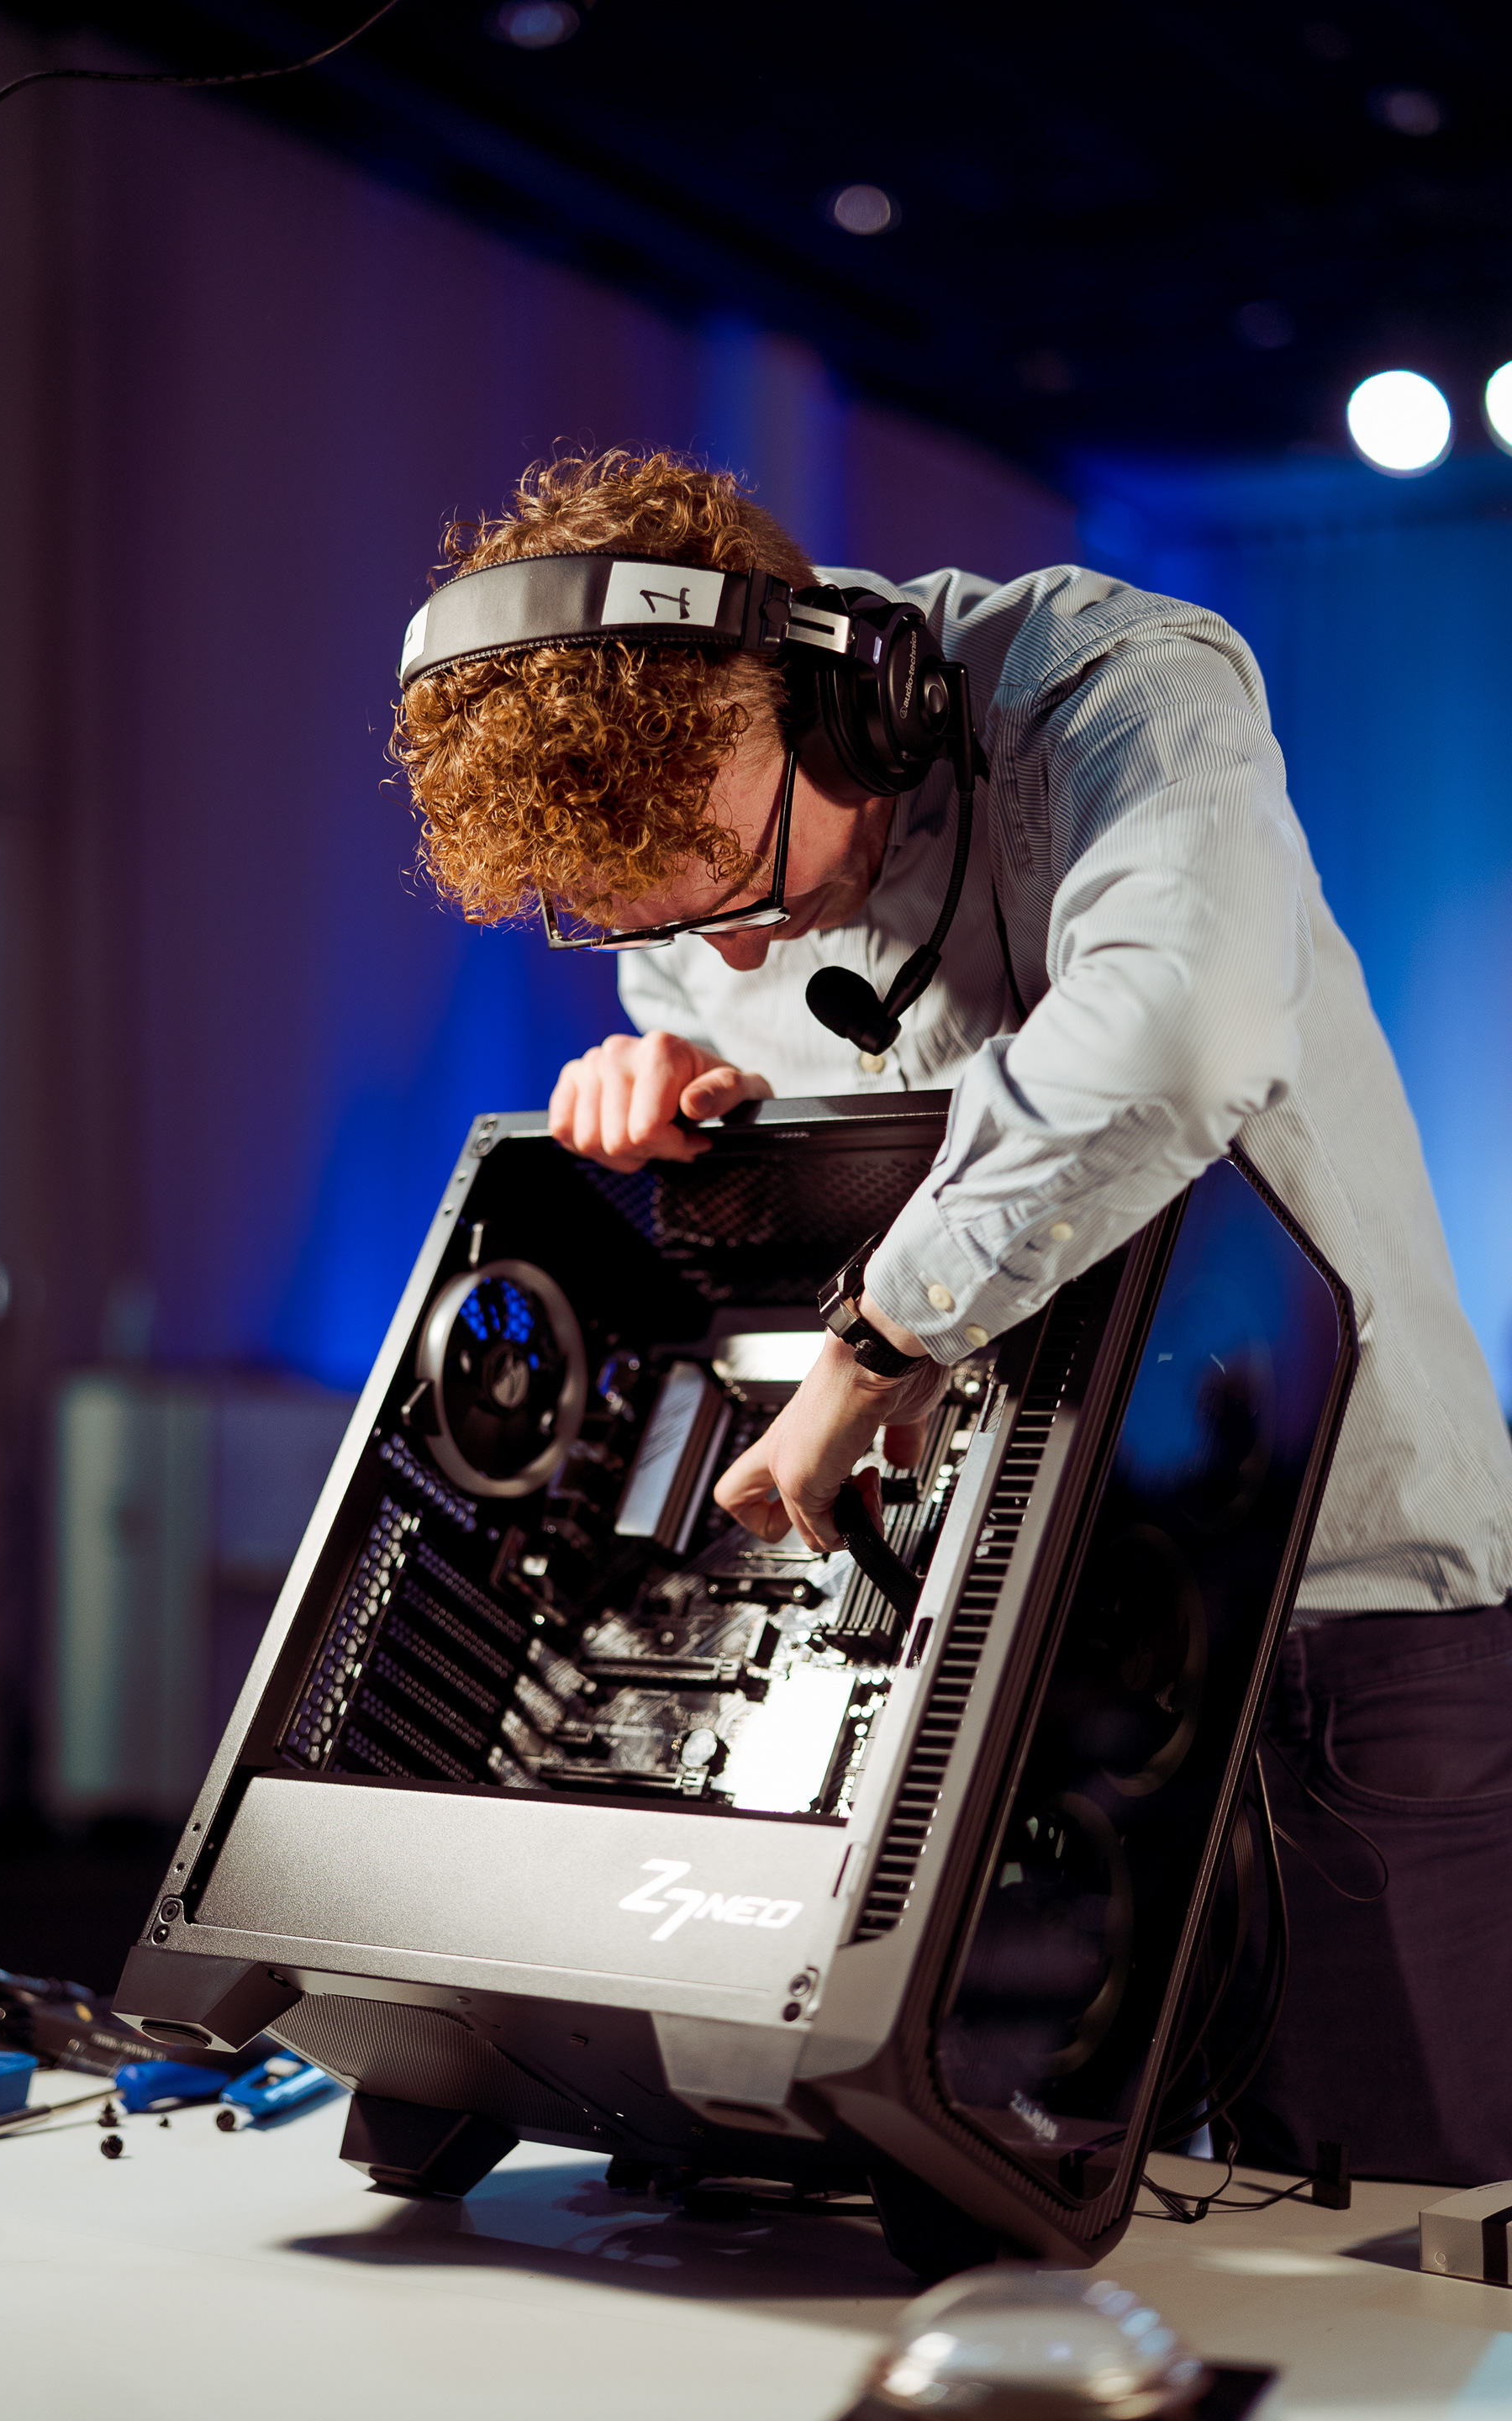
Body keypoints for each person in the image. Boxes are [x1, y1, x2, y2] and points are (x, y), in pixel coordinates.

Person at [394, 447, 1512, 2186]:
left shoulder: (1111, 684)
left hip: (1338, 1623)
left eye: (731, 873)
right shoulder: (710, 898)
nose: (735, 954)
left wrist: (873, 1350)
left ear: (844, 693)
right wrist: (673, 1096)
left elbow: (1174, 1041)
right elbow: (795, 1120)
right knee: (1008, 2206)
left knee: (1396, 2233)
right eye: (661, 923)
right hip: (1005, 1652)